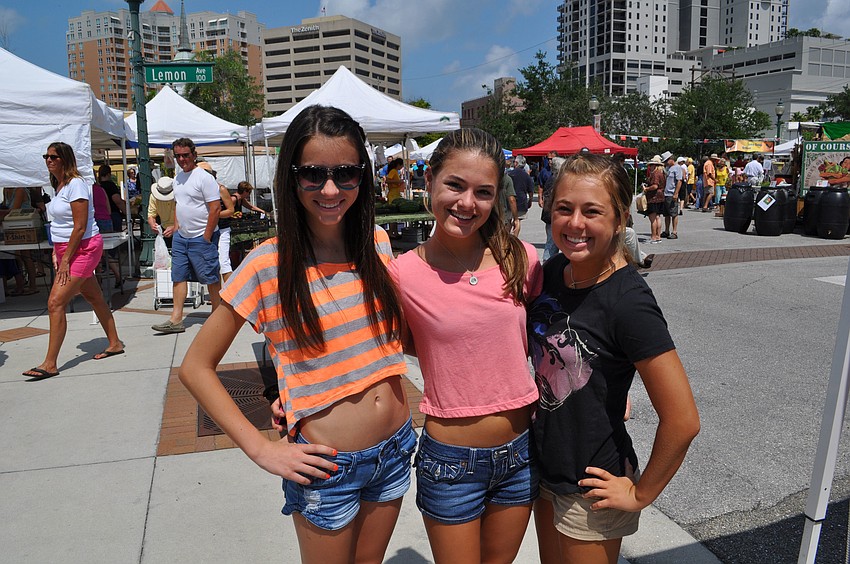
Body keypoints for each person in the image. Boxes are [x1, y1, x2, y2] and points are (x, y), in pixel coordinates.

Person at [180, 105, 415, 563]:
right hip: (328, 467)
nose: (330, 189)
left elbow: (379, 344)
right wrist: (261, 451)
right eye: (313, 174)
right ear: (291, 177)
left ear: (363, 176)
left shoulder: (378, 244)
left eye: (346, 173)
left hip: (395, 447)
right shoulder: (269, 264)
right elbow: (195, 367)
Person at [527, 153, 700, 564]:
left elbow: (683, 420)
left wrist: (641, 494)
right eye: (564, 208)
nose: (575, 223)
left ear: (620, 218)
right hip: (545, 468)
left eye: (592, 211)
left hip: (593, 484)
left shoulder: (629, 301)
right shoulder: (553, 272)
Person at [388, 128, 543, 563]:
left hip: (522, 453)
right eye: (455, 185)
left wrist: (607, 384)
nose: (466, 203)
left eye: (483, 192)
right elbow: (388, 344)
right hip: (451, 465)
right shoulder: (402, 274)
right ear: (431, 180)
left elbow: (549, 339)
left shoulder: (522, 258)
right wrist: (285, 394)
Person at [21, 142, 124, 378]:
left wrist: (66, 259)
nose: (49, 160)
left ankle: (50, 364)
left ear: (65, 159)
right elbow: (60, 226)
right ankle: (115, 343)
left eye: (54, 157)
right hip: (66, 249)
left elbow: (79, 227)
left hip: (83, 248)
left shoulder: (76, 184)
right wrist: (56, 254)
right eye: (46, 156)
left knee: (55, 302)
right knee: (94, 297)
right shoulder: (60, 186)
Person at [152, 138, 222, 334]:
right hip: (182, 237)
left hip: (201, 237)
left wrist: (207, 236)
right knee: (178, 276)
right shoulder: (178, 178)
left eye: (185, 155)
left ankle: (217, 314)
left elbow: (215, 209)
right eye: (178, 156)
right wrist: (176, 227)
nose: (182, 159)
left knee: (210, 277)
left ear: (194, 154)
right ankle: (176, 319)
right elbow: (178, 205)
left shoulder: (204, 177)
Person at [197, 162, 237, 283]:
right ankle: (218, 293)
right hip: (205, 228)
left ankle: (229, 294)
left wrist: (215, 214)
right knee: (210, 263)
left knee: (223, 261)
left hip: (222, 229)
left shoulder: (220, 189)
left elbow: (230, 210)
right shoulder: (198, 190)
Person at [91, 179, 123, 288]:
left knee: (98, 254)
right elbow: (109, 209)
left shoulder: (85, 191)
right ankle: (116, 275)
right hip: (107, 220)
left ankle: (99, 283)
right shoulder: (101, 190)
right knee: (104, 252)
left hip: (95, 221)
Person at [147, 176, 176, 247]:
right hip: (164, 229)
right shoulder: (153, 197)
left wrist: (175, 227)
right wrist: (152, 224)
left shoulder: (180, 195)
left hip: (182, 229)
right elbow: (151, 214)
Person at [643, 156, 665, 244]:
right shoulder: (661, 173)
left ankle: (653, 237)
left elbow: (655, 186)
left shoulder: (655, 174)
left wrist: (647, 189)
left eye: (651, 165)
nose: (650, 167)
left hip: (654, 197)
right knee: (658, 217)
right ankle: (658, 236)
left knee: (653, 218)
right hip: (661, 196)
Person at [661, 156, 683, 240]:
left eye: (667, 161)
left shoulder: (677, 168)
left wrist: (676, 193)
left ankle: (674, 231)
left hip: (671, 193)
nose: (666, 162)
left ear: (671, 159)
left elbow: (679, 181)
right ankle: (666, 230)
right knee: (666, 214)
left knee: (673, 213)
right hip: (666, 193)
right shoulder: (669, 168)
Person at [508, 155, 535, 220]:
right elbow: (531, 191)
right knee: (518, 221)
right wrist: (530, 201)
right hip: (522, 202)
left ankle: (508, 230)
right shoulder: (527, 176)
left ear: (516, 163)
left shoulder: (509, 174)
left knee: (508, 221)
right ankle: (517, 230)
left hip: (509, 202)